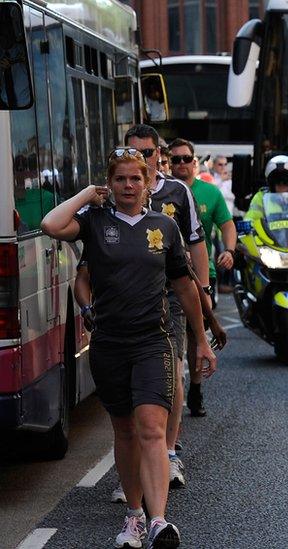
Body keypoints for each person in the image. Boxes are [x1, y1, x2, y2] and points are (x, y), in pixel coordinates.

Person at [40, 148, 217, 549]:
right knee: (125, 432)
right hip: (109, 344)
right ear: (110, 183)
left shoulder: (164, 227)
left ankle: (158, 522)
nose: (127, 186)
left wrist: (202, 339)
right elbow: (51, 225)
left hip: (153, 342)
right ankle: (134, 515)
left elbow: (184, 286)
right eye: (119, 179)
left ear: (147, 181)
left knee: (152, 430)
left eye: (135, 179)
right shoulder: (95, 221)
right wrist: (87, 193)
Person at [125, 124, 209, 490]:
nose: (141, 160)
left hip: (170, 298)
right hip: (128, 301)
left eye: (147, 153)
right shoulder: (118, 190)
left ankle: (169, 453)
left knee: (171, 377)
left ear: (159, 154)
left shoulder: (178, 192)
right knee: (131, 385)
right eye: (134, 153)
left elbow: (196, 245)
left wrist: (202, 291)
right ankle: (136, 465)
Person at [169, 138, 236, 417]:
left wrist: (230, 250)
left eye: (186, 159)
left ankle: (194, 387)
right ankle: (176, 390)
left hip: (200, 277)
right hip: (170, 280)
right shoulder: (161, 192)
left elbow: (227, 224)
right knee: (175, 342)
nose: (181, 164)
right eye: (176, 160)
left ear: (194, 162)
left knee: (197, 335)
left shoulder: (209, 193)